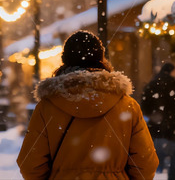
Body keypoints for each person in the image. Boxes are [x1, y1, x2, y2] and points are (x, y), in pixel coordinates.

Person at [17, 31, 159, 180]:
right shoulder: (127, 106)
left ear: (65, 60)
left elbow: (30, 165)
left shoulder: (47, 107)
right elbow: (146, 164)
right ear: (101, 59)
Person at [141, 62, 175, 180]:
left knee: (156, 159)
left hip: (155, 128)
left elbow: (144, 105)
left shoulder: (152, 85)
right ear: (171, 71)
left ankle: (156, 176)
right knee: (173, 160)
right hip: (173, 128)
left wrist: (153, 116)